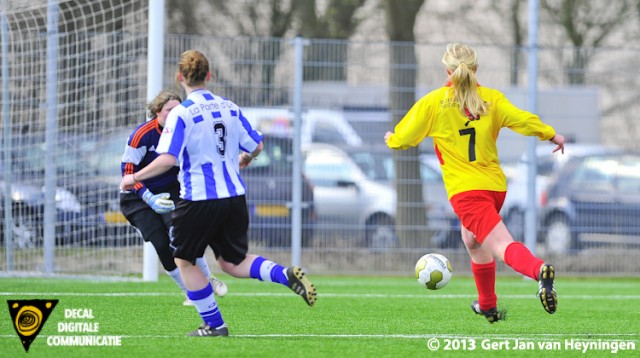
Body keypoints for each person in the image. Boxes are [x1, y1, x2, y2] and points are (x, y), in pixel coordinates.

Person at [120, 50, 317, 337]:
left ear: (180, 77)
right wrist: (245, 161)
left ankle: (214, 325)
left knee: (184, 261)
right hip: (234, 197)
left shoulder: (182, 114)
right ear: (209, 75)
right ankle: (283, 274)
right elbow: (257, 145)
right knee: (232, 262)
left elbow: (167, 159)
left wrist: (133, 177)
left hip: (199, 199)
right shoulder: (230, 107)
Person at [385, 43, 563, 323]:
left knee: (502, 245)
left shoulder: (434, 102)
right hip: (493, 187)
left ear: (447, 69)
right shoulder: (491, 99)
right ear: (476, 68)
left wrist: (392, 139)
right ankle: (488, 305)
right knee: (472, 240)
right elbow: (522, 120)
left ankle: (539, 270)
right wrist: (551, 134)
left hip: (467, 193)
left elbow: (405, 138)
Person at [120, 89, 228, 306]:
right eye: (169, 109)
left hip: (172, 189)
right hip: (136, 197)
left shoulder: (186, 131)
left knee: (180, 232)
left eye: (179, 109)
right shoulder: (142, 135)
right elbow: (127, 173)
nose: (175, 113)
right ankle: (189, 292)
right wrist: (148, 196)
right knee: (161, 244)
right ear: (157, 111)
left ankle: (207, 279)